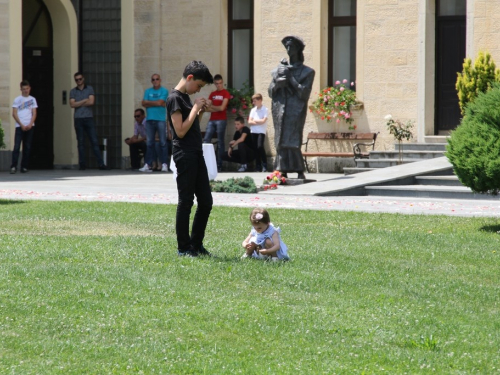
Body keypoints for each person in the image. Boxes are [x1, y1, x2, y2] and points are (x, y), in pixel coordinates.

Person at [166, 61, 214, 257]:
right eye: (199, 86)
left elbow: (192, 125)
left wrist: (200, 112)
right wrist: (195, 108)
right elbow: (180, 131)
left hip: (196, 152)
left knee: (206, 201)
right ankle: (183, 247)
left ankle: (195, 244)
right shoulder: (174, 99)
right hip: (184, 154)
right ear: (190, 78)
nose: (198, 91)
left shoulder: (185, 98)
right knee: (186, 201)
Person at [268, 35, 315, 179]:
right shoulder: (280, 69)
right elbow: (270, 91)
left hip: (295, 109)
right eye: (286, 46)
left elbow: (304, 94)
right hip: (280, 108)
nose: (288, 50)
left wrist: (290, 79)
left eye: (292, 47)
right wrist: (277, 85)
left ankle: (299, 170)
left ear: (298, 49)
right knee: (280, 139)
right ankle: (281, 170)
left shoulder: (308, 72)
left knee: (293, 139)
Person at [70, 72, 109, 170]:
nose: (78, 81)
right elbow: (72, 105)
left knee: (94, 141)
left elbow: (91, 102)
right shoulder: (73, 91)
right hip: (78, 119)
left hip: (88, 118)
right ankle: (82, 164)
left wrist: (78, 103)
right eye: (76, 80)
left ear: (83, 79)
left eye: (80, 79)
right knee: (81, 142)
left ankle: (101, 164)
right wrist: (84, 101)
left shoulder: (89, 88)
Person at [140, 73, 169, 173]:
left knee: (163, 143)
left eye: (157, 79)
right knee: (149, 143)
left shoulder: (164, 90)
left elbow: (161, 102)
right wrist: (156, 103)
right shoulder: (148, 91)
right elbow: (143, 103)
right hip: (150, 119)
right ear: (151, 81)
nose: (155, 81)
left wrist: (150, 102)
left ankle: (164, 164)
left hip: (160, 119)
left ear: (160, 80)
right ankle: (148, 164)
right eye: (153, 79)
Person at [203, 74, 231, 172]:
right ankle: (205, 162)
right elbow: (206, 108)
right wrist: (216, 108)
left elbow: (222, 108)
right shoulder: (212, 94)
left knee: (220, 142)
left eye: (220, 83)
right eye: (216, 84)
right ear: (214, 83)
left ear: (222, 82)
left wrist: (213, 108)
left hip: (221, 119)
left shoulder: (225, 93)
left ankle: (220, 164)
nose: (218, 85)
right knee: (206, 140)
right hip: (212, 119)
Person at [10, 80, 37, 174]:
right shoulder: (17, 99)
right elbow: (14, 113)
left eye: (27, 89)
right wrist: (21, 124)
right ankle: (13, 166)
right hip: (19, 126)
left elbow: (34, 113)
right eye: (24, 89)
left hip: (30, 126)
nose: (26, 91)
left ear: (29, 89)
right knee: (17, 146)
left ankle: (24, 166)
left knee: (27, 147)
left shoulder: (33, 99)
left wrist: (30, 124)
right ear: (21, 89)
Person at [248, 93, 269, 172]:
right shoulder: (253, 110)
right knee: (255, 149)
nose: (253, 103)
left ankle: (264, 164)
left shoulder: (265, 109)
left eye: (255, 101)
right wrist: (258, 121)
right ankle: (258, 165)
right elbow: (249, 121)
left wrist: (255, 120)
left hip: (261, 131)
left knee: (260, 146)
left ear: (260, 100)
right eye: (253, 101)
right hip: (253, 131)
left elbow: (263, 121)